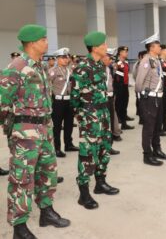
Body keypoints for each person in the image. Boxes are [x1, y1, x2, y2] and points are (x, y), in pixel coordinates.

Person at [0, 24, 70, 239]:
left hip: (44, 129)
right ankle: (19, 227)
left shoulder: (39, 66)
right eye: (43, 40)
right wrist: (12, 130)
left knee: (47, 172)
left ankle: (46, 212)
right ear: (31, 43)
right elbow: (3, 103)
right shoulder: (16, 67)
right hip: (25, 133)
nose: (46, 43)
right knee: (22, 178)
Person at [71, 31, 119, 211]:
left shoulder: (100, 65)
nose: (106, 47)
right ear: (94, 47)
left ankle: (100, 183)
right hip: (89, 116)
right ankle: (83, 193)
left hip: (103, 113)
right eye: (103, 44)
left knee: (104, 149)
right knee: (88, 153)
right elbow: (74, 96)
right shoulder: (82, 67)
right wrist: (82, 114)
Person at [135, 33, 166, 166]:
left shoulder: (156, 60)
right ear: (151, 47)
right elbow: (139, 81)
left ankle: (157, 150)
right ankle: (147, 155)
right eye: (157, 46)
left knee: (157, 126)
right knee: (149, 128)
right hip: (149, 98)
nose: (160, 48)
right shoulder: (146, 61)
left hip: (158, 97)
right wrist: (141, 97)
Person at [48, 47, 79, 158]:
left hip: (68, 101)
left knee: (69, 124)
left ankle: (68, 144)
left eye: (67, 57)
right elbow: (47, 87)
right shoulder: (52, 71)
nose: (66, 59)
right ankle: (57, 148)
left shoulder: (69, 70)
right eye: (63, 57)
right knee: (57, 126)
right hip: (58, 102)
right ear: (57, 59)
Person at [102, 48, 121, 155]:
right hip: (103, 99)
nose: (111, 60)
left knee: (111, 123)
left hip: (110, 98)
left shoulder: (108, 68)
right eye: (109, 58)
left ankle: (109, 146)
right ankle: (104, 147)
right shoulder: (99, 69)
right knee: (105, 124)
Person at [114, 46, 134, 130]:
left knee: (124, 104)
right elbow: (114, 76)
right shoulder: (117, 63)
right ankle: (117, 126)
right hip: (119, 87)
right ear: (120, 53)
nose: (126, 53)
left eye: (127, 52)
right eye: (125, 52)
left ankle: (124, 123)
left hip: (125, 86)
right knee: (118, 105)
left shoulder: (125, 63)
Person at [132, 50, 147, 125]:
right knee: (141, 103)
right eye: (145, 56)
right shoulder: (139, 64)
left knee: (142, 102)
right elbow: (135, 75)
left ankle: (143, 117)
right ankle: (142, 119)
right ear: (141, 57)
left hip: (143, 86)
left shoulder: (141, 63)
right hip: (140, 86)